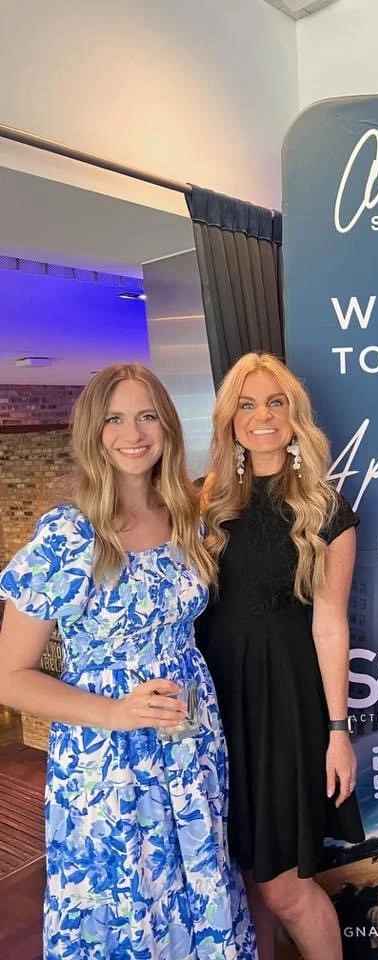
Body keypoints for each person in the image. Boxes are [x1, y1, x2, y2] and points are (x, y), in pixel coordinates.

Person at [0, 364, 254, 960]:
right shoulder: (70, 535)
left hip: (190, 739)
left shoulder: (186, 516)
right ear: (93, 432)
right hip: (107, 758)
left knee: (198, 877)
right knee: (125, 894)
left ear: (166, 425)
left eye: (146, 415)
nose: (132, 432)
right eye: (114, 418)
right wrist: (114, 713)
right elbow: (9, 676)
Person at [199, 352, 365, 960]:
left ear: (295, 416)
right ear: (229, 418)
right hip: (212, 705)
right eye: (246, 403)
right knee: (236, 880)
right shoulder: (203, 504)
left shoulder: (326, 511)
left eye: (275, 402)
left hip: (282, 706)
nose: (261, 416)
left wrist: (337, 733)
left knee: (285, 888)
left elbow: (330, 625)